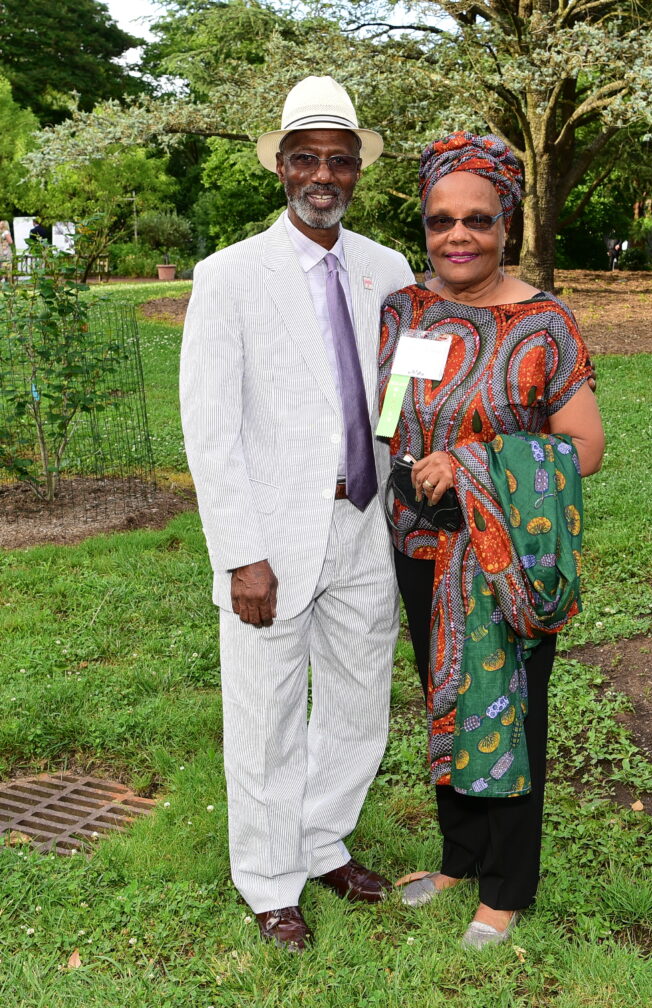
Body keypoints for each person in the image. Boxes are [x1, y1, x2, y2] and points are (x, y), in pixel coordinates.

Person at [179, 76, 415, 952]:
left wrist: (397, 468)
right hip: (272, 540)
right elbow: (210, 430)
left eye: (340, 160)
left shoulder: (385, 268)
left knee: (358, 706)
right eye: (307, 157)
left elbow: (394, 393)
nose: (324, 174)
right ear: (280, 167)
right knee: (266, 714)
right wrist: (241, 552)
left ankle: (321, 843)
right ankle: (270, 881)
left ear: (357, 172)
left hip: (366, 524)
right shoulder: (230, 275)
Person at [378, 133, 604, 948]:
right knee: (445, 701)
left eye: (477, 219)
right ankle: (459, 859)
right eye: (441, 221)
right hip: (420, 551)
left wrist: (472, 464)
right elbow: (388, 414)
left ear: (506, 221)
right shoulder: (405, 310)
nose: (457, 236)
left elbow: (585, 446)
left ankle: (505, 890)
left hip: (507, 560)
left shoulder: (543, 323)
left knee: (506, 715)